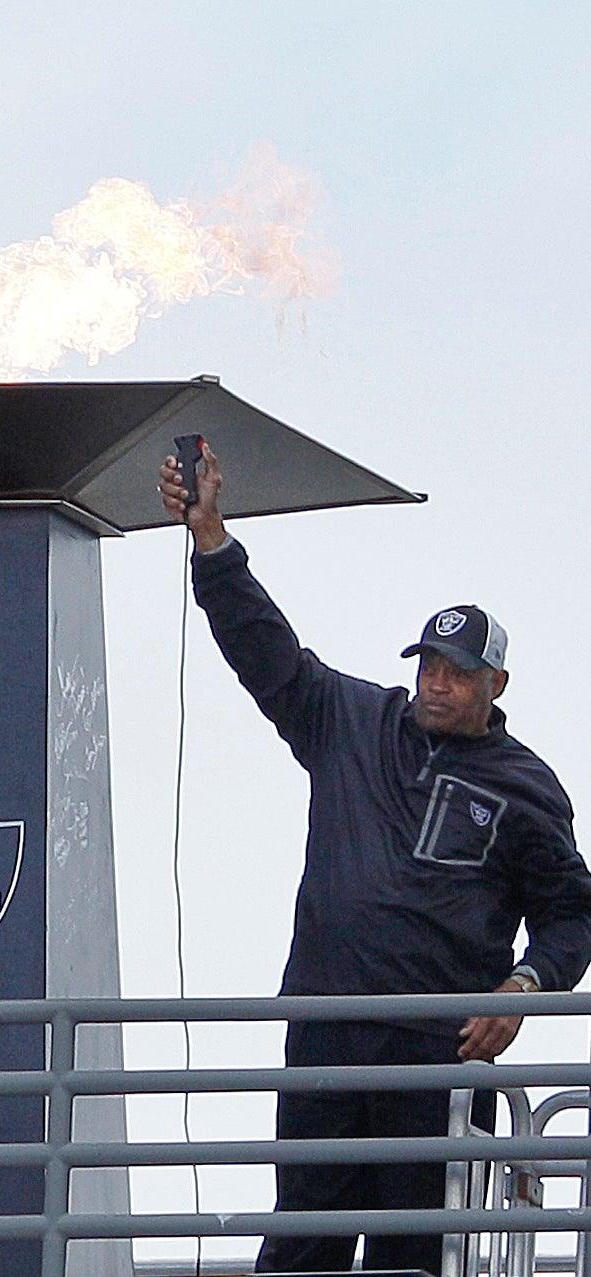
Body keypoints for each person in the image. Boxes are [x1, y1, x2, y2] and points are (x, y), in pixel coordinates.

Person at [159, 442, 591, 1275]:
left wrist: (525, 987)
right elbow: (267, 651)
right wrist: (210, 534)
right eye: (428, 662)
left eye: (458, 671)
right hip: (325, 1031)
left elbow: (574, 911)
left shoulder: (527, 785)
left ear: (496, 682)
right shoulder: (351, 720)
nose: (436, 681)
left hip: (434, 1051)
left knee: (410, 1253)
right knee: (305, 1241)